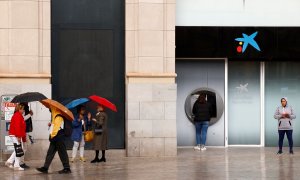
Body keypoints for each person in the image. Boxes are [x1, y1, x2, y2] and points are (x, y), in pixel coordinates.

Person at [36, 108, 71, 174]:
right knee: (50, 152)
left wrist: (51, 137)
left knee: (62, 152)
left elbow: (56, 129)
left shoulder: (58, 116)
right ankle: (45, 167)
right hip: (55, 137)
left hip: (58, 136)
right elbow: (55, 126)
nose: (50, 112)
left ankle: (67, 168)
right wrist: (51, 124)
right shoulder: (55, 116)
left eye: (51, 110)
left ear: (54, 110)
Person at [5, 103, 26, 171]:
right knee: (19, 149)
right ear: (19, 109)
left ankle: (10, 162)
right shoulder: (17, 115)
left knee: (18, 148)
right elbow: (17, 127)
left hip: (15, 134)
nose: (23, 110)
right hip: (15, 134)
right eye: (23, 109)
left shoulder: (19, 115)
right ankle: (16, 165)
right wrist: (19, 136)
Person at [19, 102, 33, 169]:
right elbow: (22, 118)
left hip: (25, 130)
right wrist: (30, 114)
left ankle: (21, 161)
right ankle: (21, 162)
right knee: (24, 146)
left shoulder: (26, 107)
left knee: (26, 145)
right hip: (23, 131)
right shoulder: (22, 107)